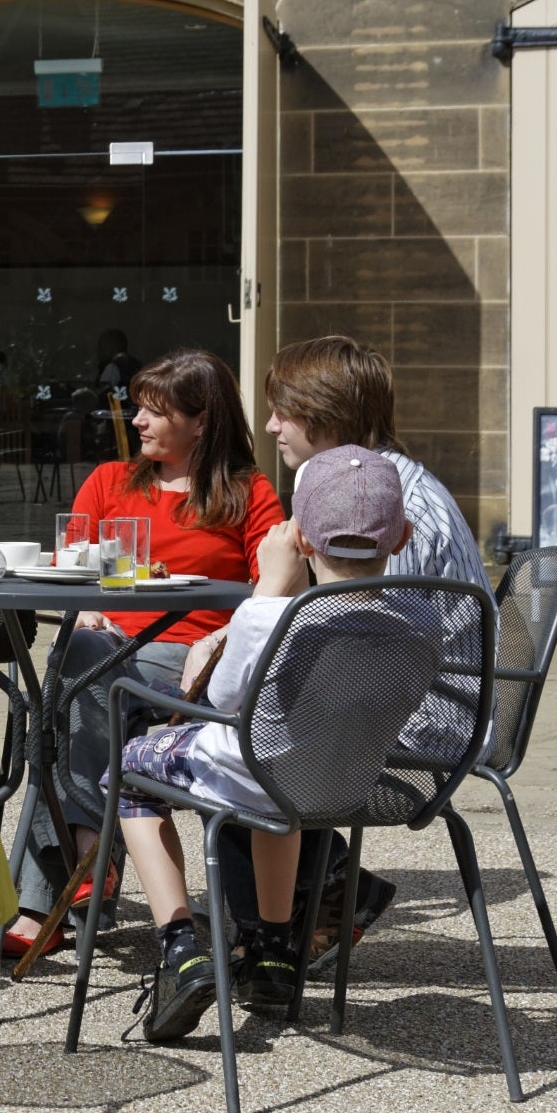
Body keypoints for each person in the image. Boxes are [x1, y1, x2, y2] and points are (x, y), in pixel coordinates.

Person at [115, 445, 430, 1043]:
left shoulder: (273, 616)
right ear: (402, 537)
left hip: (255, 767)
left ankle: (181, 944)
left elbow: (226, 703)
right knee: (277, 792)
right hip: (345, 780)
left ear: (302, 540)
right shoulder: (421, 620)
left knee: (129, 771)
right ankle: (272, 949)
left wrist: (265, 593)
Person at [196, 334, 493, 957]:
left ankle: (267, 938)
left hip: (421, 722)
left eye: (285, 410)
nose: (272, 425)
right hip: (411, 695)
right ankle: (323, 892)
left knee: (235, 739)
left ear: (325, 416)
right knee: (224, 706)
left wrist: (236, 635)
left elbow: (359, 642)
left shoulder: (382, 507)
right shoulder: (374, 488)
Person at [0, 348, 283, 959]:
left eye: (155, 411)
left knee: (62, 693)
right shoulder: (109, 481)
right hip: (106, 645)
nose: (138, 421)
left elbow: (276, 589)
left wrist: (223, 639)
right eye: (139, 409)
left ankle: (46, 894)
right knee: (74, 662)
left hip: (188, 656)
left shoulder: (245, 493)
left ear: (201, 420)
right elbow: (72, 566)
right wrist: (89, 602)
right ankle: (87, 856)